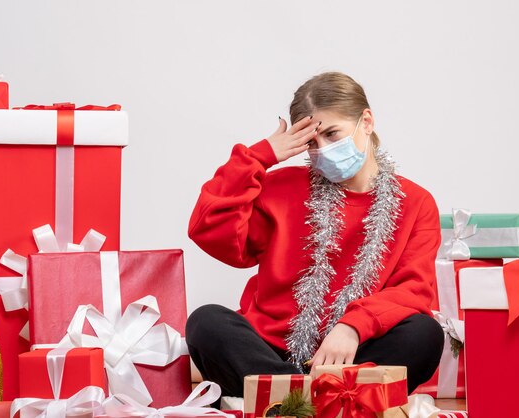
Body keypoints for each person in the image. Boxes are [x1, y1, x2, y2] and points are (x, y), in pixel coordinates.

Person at [186, 72, 444, 399]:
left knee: (424, 334)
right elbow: (208, 229)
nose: (323, 150)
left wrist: (353, 326)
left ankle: (286, 400)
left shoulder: (416, 202)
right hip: (272, 352)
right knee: (205, 323)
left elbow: (414, 290)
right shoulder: (280, 187)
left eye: (333, 134)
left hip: (353, 354)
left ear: (366, 121)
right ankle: (316, 398)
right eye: (311, 142)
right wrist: (257, 157)